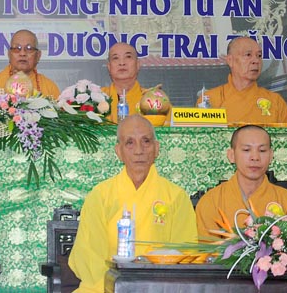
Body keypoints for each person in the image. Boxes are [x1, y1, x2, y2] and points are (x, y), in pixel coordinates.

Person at [68, 115, 197, 293]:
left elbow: (185, 254)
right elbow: (89, 256)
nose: (139, 150)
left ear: (157, 148)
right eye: (130, 143)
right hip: (105, 288)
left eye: (146, 141)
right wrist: (118, 288)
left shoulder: (176, 197)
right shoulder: (101, 195)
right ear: (118, 151)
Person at [195, 125, 287, 238]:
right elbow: (207, 247)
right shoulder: (211, 201)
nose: (255, 157)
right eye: (246, 150)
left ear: (271, 156)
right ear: (231, 155)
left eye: (262, 150)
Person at [206, 37, 287, 126]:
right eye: (248, 55)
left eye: (259, 56)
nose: (256, 61)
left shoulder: (275, 101)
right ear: (230, 60)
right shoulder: (210, 100)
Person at [0, 29, 59, 99]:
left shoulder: (50, 88)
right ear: (9, 54)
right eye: (17, 48)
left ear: (38, 55)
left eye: (29, 49)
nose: (22, 53)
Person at [102, 42, 144, 123]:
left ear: (138, 64)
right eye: (115, 58)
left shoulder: (153, 99)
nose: (122, 63)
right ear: (109, 67)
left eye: (128, 57)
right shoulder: (96, 97)